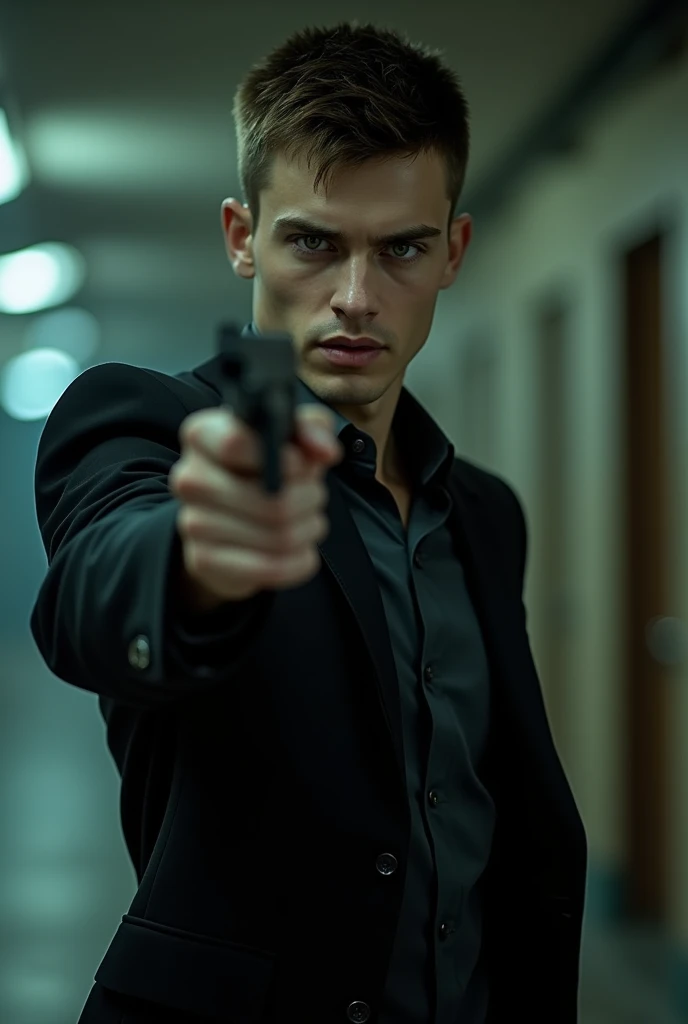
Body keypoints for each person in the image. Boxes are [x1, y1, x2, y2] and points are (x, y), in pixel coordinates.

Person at [30, 20, 587, 1024]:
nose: (356, 299)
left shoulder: (485, 515)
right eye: (314, 243)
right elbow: (100, 587)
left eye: (402, 248)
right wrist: (196, 557)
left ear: (452, 249)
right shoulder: (143, 422)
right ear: (244, 235)